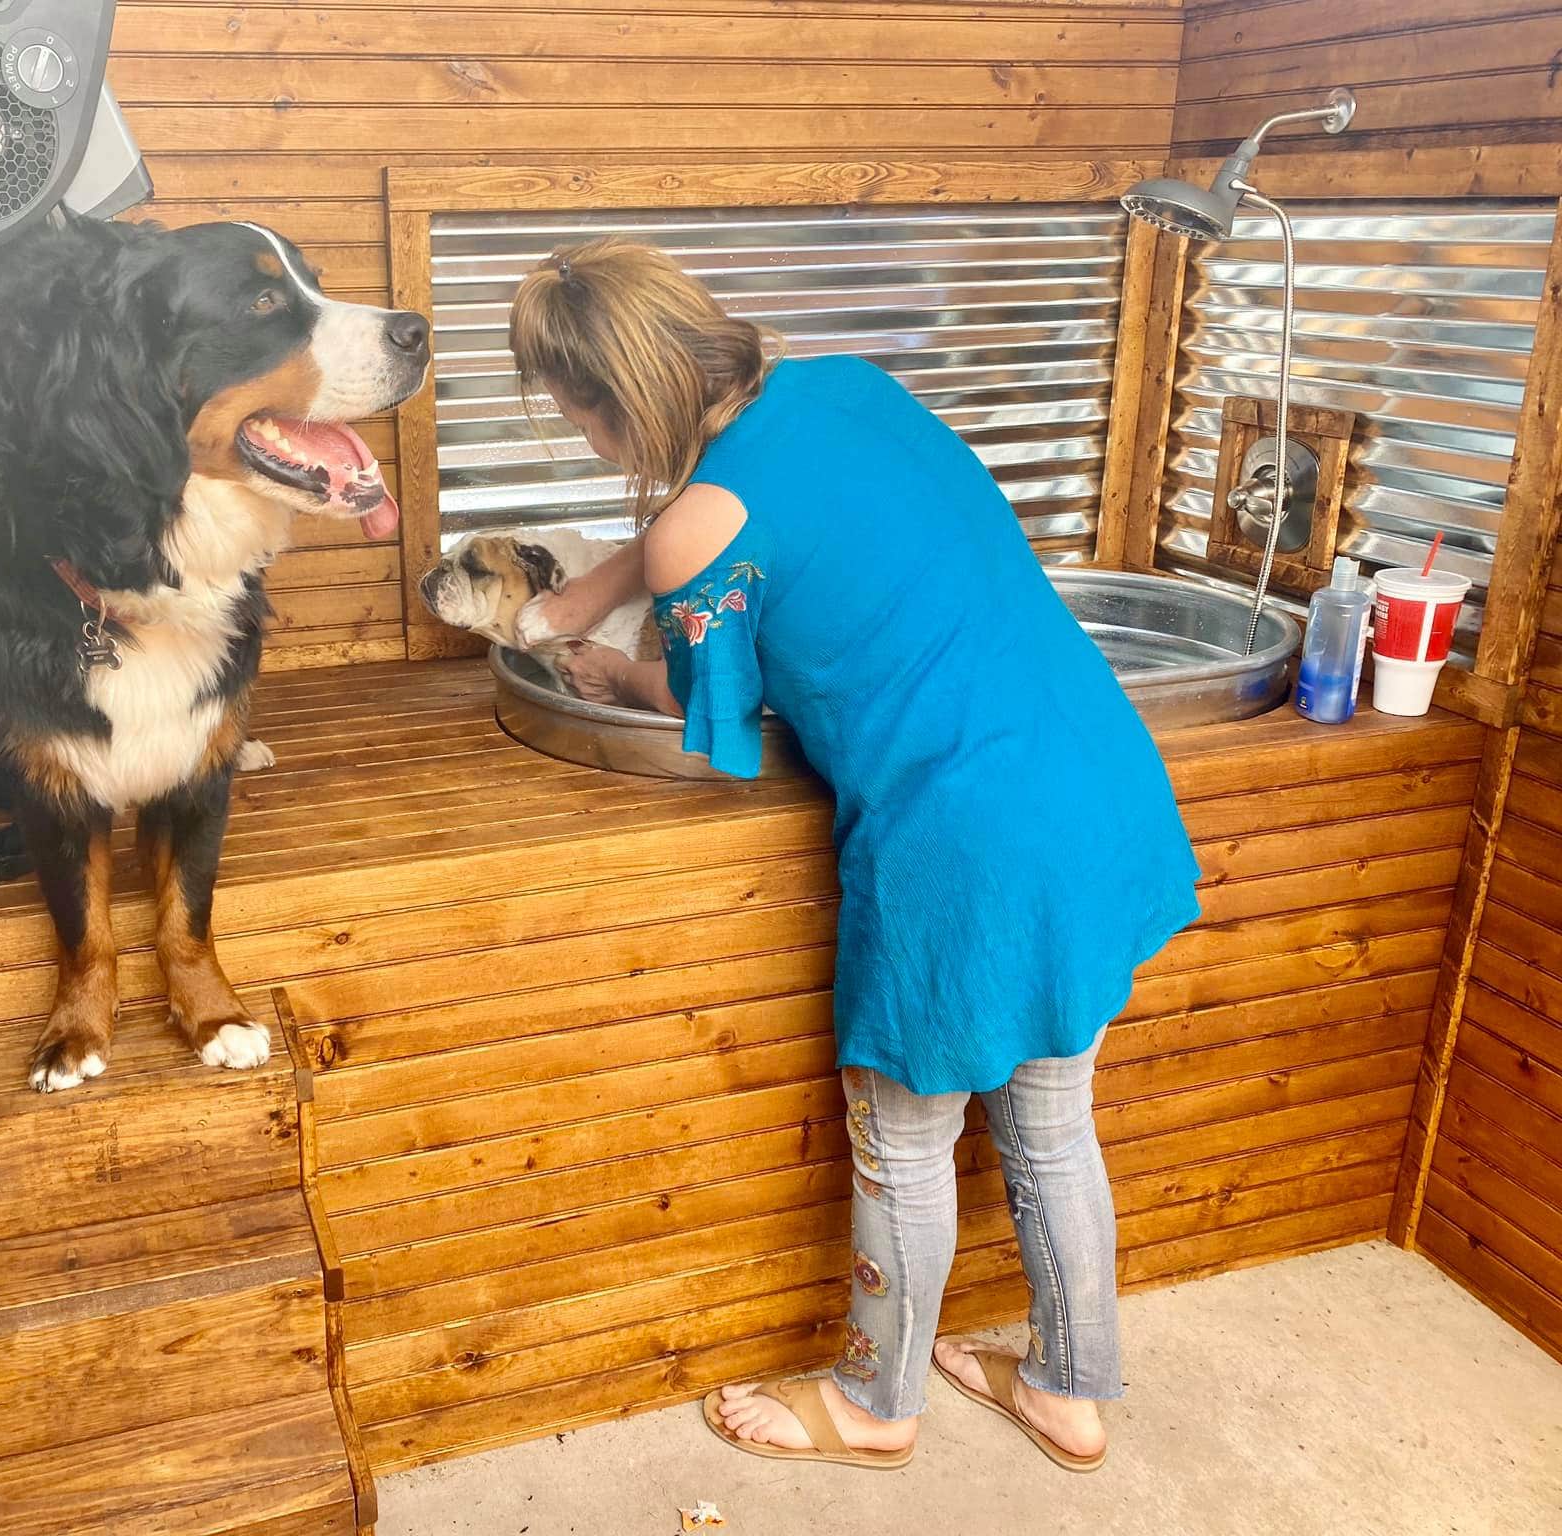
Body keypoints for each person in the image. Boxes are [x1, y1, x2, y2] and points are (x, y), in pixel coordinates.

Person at [507, 239, 1201, 1472]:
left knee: (903, 1141)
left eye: (570, 413)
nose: (578, 437)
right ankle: (1067, 1392)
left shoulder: (692, 533)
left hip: (962, 844)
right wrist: (575, 596)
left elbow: (713, 711)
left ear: (613, 401)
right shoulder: (845, 385)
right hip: (1092, 776)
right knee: (1049, 1124)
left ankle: (876, 1406)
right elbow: (740, 524)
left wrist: (612, 665)